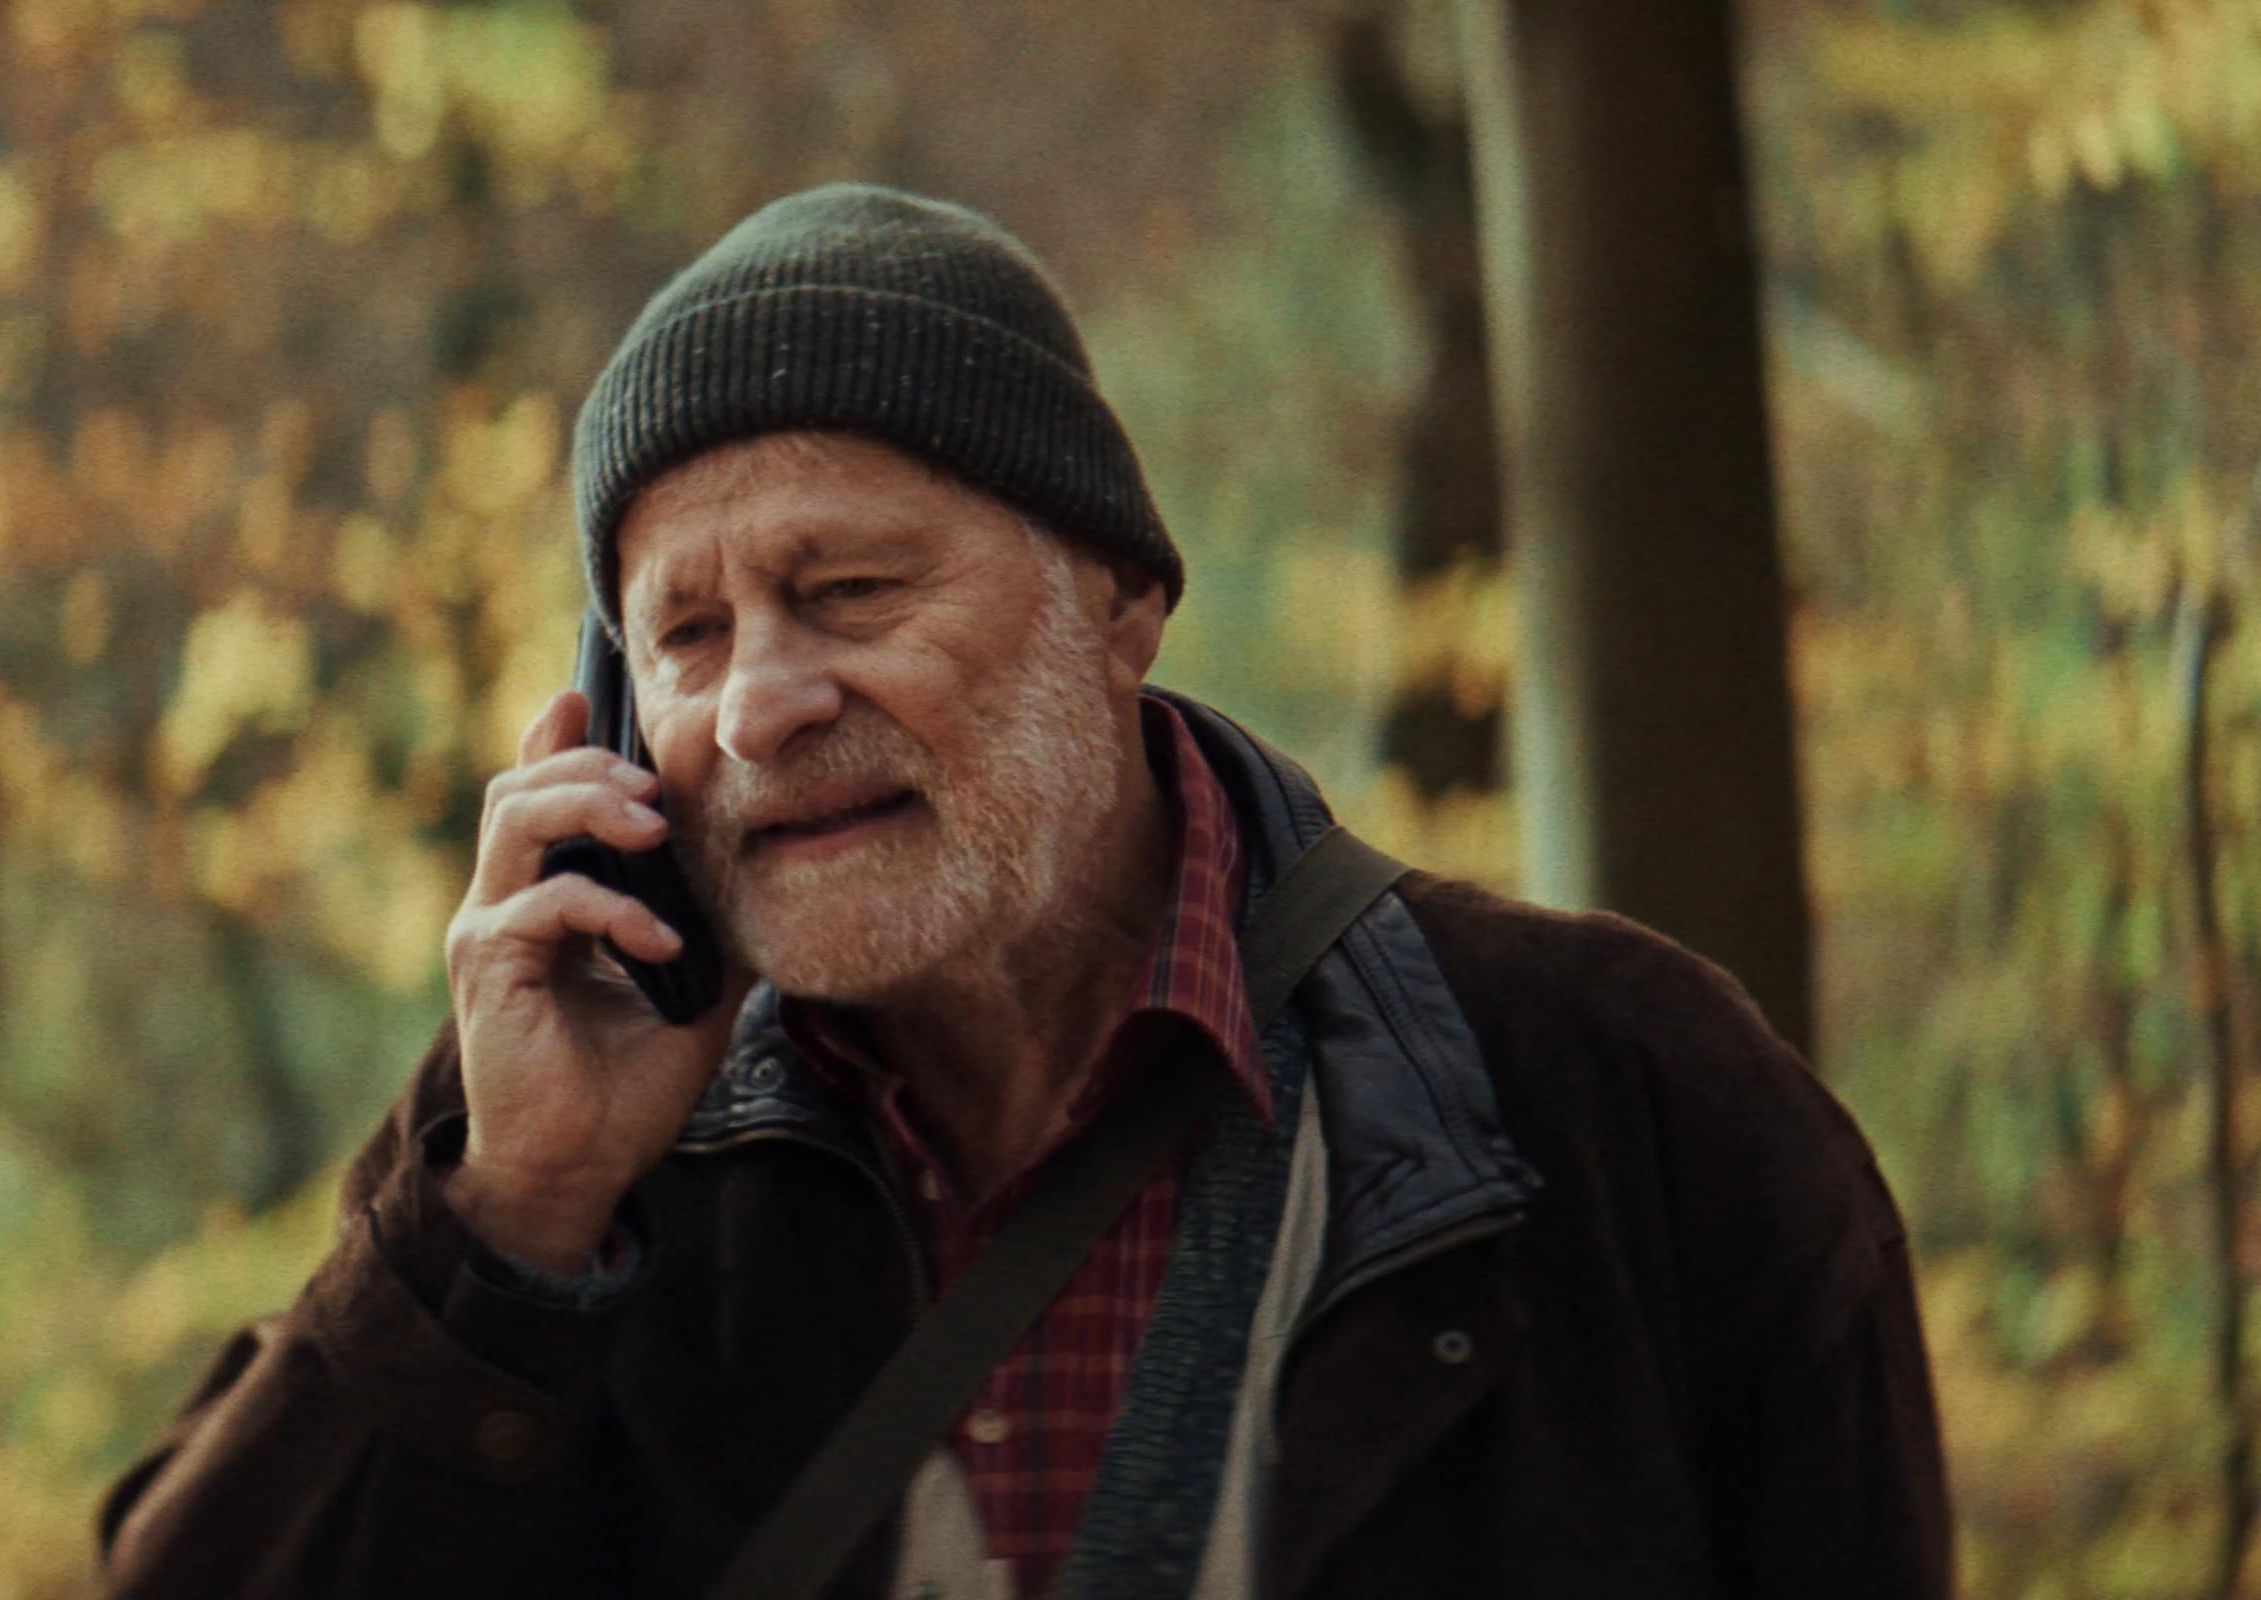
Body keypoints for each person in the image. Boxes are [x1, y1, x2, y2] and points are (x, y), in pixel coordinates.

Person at [94, 183, 1949, 1600]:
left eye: (850, 593)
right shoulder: (545, 1150)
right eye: (686, 636)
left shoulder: (1628, 1097)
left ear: (1119, 603)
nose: (757, 706)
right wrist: (508, 1229)